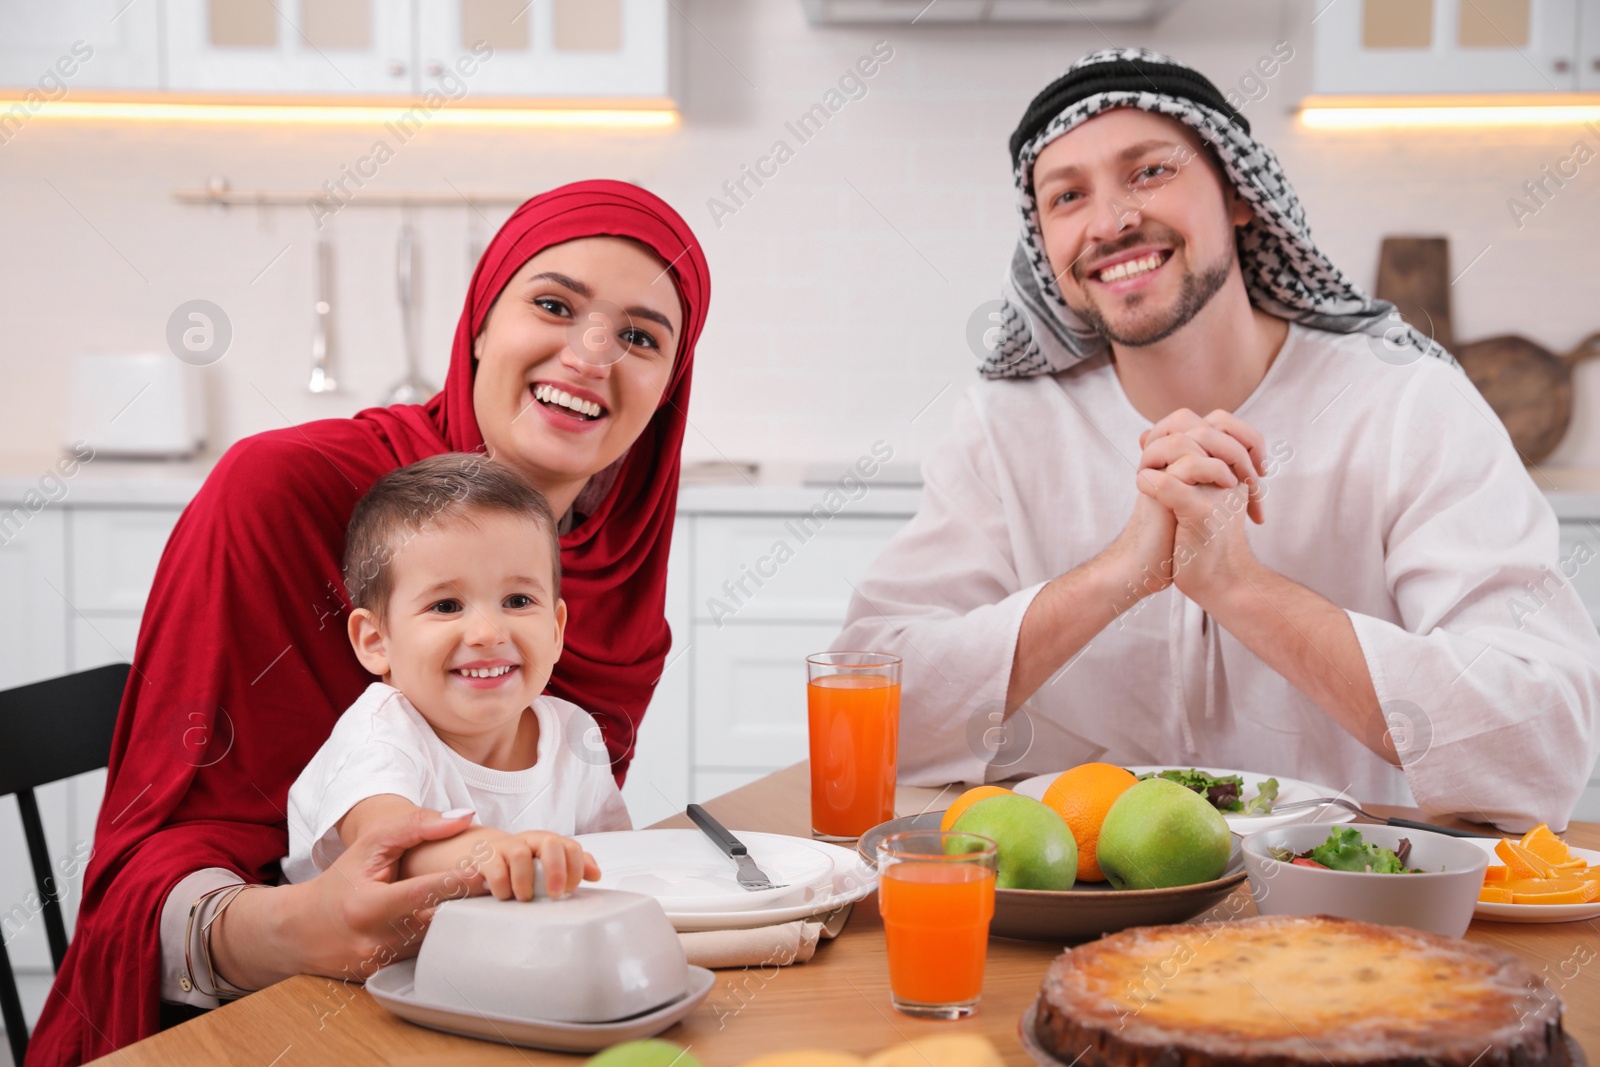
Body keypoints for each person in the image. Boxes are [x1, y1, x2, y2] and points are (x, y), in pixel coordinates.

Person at [28, 181, 710, 1066]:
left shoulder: (615, 572)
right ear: (479, 322)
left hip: (477, 1014)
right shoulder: (281, 492)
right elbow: (149, 869)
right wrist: (288, 927)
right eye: (553, 304)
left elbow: (566, 848)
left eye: (640, 337)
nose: (590, 355)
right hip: (248, 1027)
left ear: (668, 387)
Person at [834, 49, 1600, 833]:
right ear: (1044, 247)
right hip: (1063, 913)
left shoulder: (1407, 405)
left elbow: (1542, 745)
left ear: (1238, 194)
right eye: (1068, 196)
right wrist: (1115, 578)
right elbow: (867, 712)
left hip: (1337, 921)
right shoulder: (1007, 428)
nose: (1109, 221)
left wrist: (1241, 587)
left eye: (1149, 172)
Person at [282, 453, 631, 901]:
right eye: (446, 606)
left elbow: (617, 861)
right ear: (375, 641)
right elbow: (389, 846)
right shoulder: (379, 735)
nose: (488, 633)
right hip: (356, 969)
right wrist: (499, 853)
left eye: (519, 601)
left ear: (557, 629)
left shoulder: (574, 732)